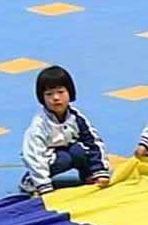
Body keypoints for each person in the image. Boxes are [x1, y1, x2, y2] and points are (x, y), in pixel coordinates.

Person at [21, 65, 112, 195]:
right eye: (49, 94)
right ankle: (32, 179)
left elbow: (94, 142)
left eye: (61, 92)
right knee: (64, 159)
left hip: (68, 149)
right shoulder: (39, 125)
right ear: (42, 98)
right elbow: (35, 156)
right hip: (49, 158)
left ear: (70, 93)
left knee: (79, 151)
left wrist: (100, 171)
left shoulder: (77, 118)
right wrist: (43, 186)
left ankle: (88, 174)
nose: (56, 98)